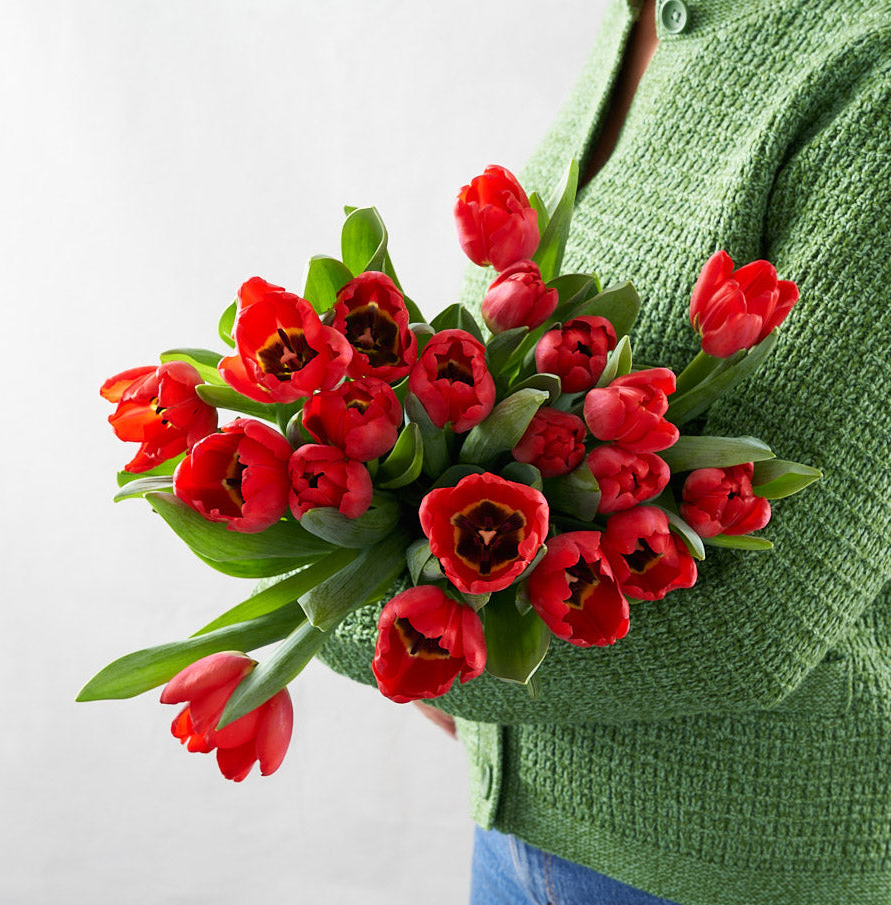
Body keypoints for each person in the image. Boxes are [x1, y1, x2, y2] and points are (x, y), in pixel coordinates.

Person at [319, 0, 891, 902]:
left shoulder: (871, 67)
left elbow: (754, 621)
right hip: (518, 835)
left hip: (738, 865)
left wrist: (353, 622)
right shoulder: (646, 23)